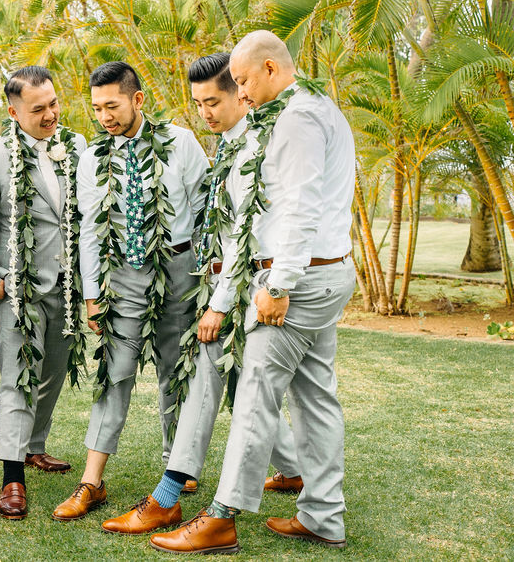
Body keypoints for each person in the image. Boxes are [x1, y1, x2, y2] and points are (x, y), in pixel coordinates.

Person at [151, 31, 355, 554]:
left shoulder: (297, 120)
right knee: (314, 399)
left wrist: (280, 283)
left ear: (269, 68)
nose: (241, 94)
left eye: (241, 81)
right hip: (326, 273)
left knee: (255, 398)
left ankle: (221, 518)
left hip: (298, 284)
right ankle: (324, 516)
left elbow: (299, 207)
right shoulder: (316, 106)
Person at [101, 53, 303, 537]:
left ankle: (169, 497)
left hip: (252, 291)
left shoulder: (258, 145)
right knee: (237, 384)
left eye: (213, 101)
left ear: (241, 91)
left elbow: (250, 230)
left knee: (207, 378)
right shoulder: (228, 144)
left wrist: (217, 302)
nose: (204, 113)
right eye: (198, 103)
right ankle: (296, 469)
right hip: (223, 285)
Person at [52, 61, 209, 522]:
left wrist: (206, 281)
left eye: (112, 106)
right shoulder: (91, 158)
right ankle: (90, 482)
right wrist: (92, 293)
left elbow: (204, 211)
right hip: (121, 276)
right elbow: (87, 233)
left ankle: (176, 463)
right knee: (115, 374)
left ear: (137, 100)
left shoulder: (180, 141)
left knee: (173, 370)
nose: (104, 116)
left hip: (179, 270)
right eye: (97, 108)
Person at [0, 66, 87, 520]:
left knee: (54, 369)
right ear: (14, 113)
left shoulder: (76, 147)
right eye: (39, 109)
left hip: (68, 287)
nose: (51, 114)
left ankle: (34, 446)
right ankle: (12, 477)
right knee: (19, 377)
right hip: (17, 289)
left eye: (54, 103)